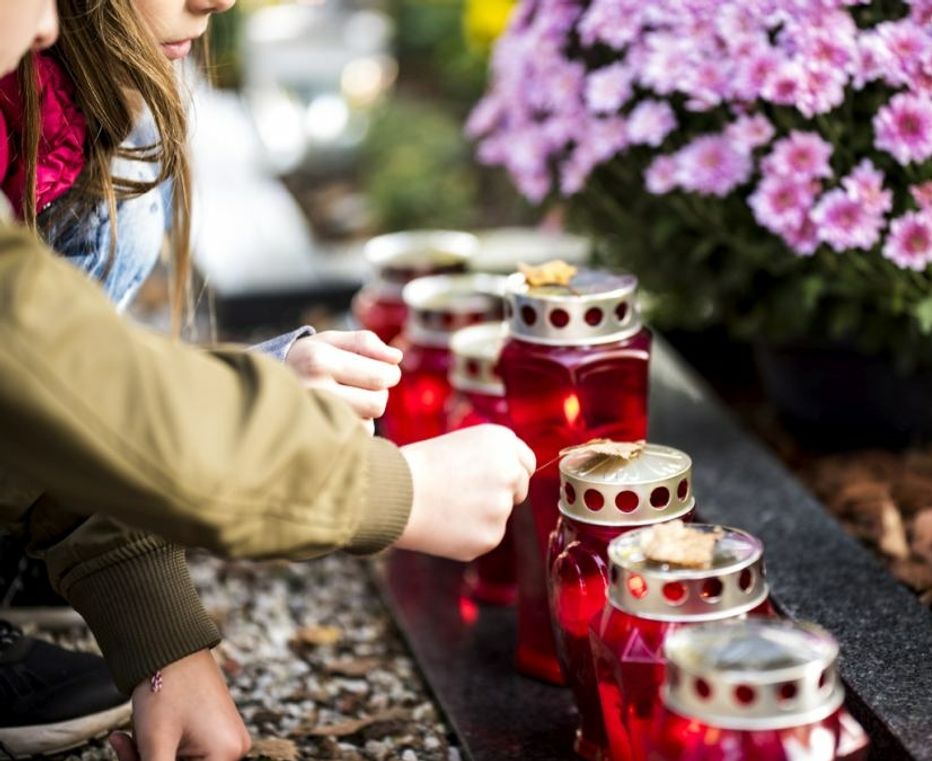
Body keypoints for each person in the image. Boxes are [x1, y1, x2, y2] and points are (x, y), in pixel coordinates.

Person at [0, 2, 536, 759]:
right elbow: (48, 376)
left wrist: (163, 640)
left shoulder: (50, 98)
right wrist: (391, 489)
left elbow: (58, 389)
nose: (216, 0)